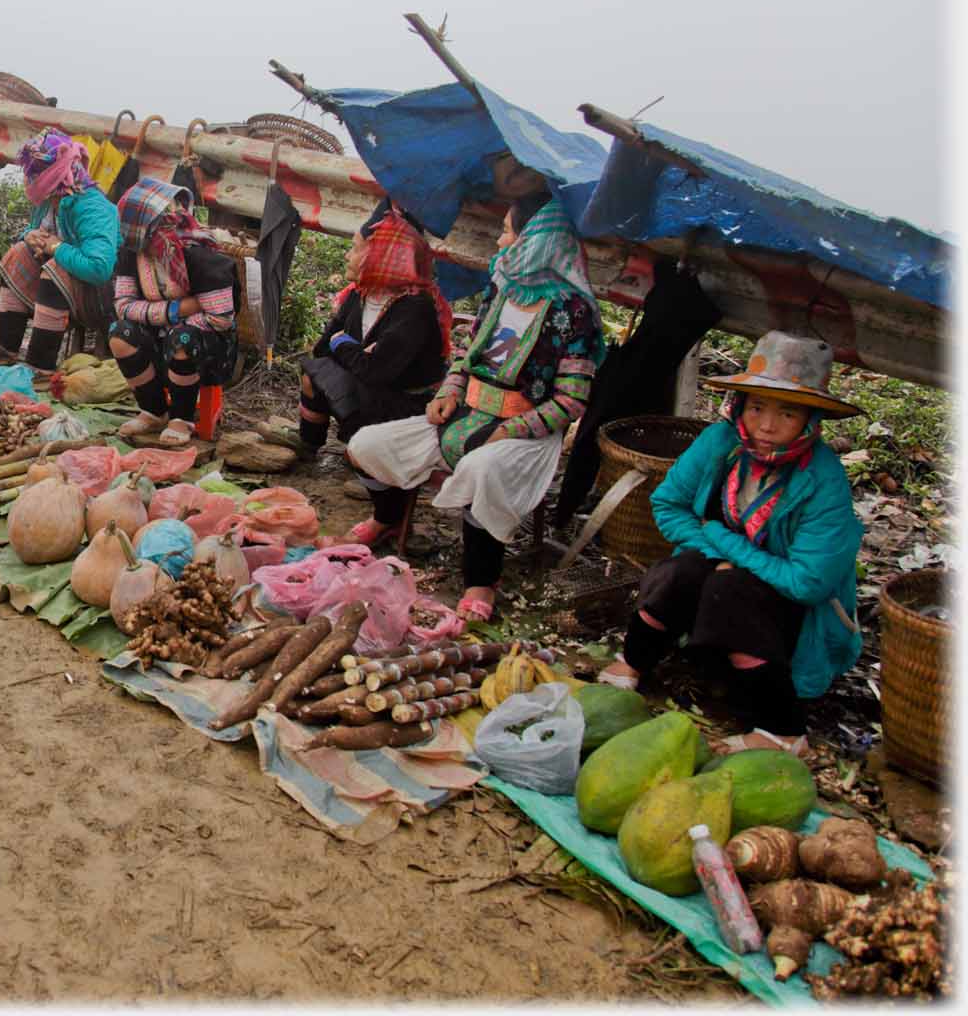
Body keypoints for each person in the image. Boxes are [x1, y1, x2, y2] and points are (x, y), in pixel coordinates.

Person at [598, 332, 864, 757]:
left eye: (787, 412)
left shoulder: (824, 480)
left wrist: (723, 541)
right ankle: (634, 661)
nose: (766, 425)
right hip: (730, 571)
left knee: (731, 591)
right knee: (678, 574)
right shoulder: (721, 443)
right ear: (740, 405)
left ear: (810, 420)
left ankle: (783, 730)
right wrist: (723, 555)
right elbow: (667, 505)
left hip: (790, 607)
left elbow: (808, 582)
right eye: (757, 406)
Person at [347, 193, 605, 621]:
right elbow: (467, 358)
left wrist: (514, 429)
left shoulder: (574, 313)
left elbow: (572, 400)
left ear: (534, 241)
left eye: (507, 231)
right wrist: (447, 393)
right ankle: (388, 516)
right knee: (365, 444)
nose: (501, 242)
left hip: (527, 432)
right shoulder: (501, 291)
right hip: (465, 417)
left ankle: (481, 580)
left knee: (482, 471)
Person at [295, 200, 453, 547]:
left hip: (408, 404)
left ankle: (388, 518)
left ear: (379, 257)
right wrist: (353, 350)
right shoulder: (359, 296)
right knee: (313, 372)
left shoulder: (414, 309)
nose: (348, 257)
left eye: (355, 249)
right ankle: (307, 447)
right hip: (374, 387)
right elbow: (325, 347)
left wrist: (346, 346)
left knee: (359, 429)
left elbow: (377, 370)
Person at [0, 129, 119, 372]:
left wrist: (56, 247)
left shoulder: (93, 208)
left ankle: (40, 363)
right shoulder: (48, 200)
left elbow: (99, 269)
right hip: (60, 287)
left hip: (97, 296)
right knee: (19, 252)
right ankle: (5, 345)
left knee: (56, 267)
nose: (29, 181)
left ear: (54, 177)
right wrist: (30, 236)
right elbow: (36, 231)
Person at [107, 177, 239, 446]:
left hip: (210, 349)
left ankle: (182, 417)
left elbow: (220, 320)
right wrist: (176, 309)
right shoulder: (133, 253)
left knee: (182, 338)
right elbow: (122, 306)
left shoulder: (202, 257)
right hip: (160, 334)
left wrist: (170, 323)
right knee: (119, 334)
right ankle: (154, 410)